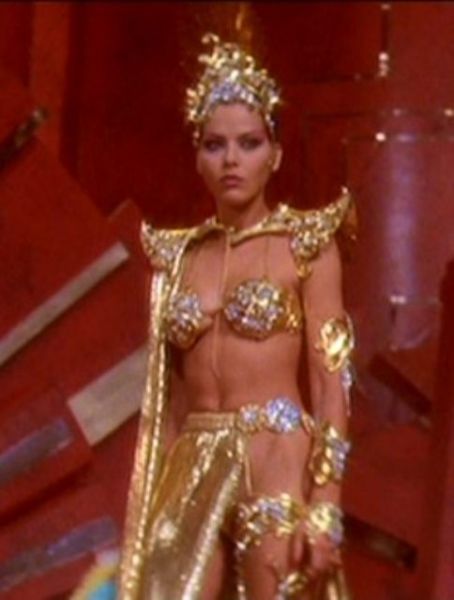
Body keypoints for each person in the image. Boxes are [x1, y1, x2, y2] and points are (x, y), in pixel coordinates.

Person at [118, 32, 356, 600]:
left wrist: (325, 504)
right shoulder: (178, 258)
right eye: (215, 145)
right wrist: (148, 501)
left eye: (248, 143)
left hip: (275, 455)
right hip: (193, 462)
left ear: (275, 154)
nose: (231, 160)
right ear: (197, 157)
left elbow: (331, 384)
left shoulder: (306, 246)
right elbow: (167, 404)